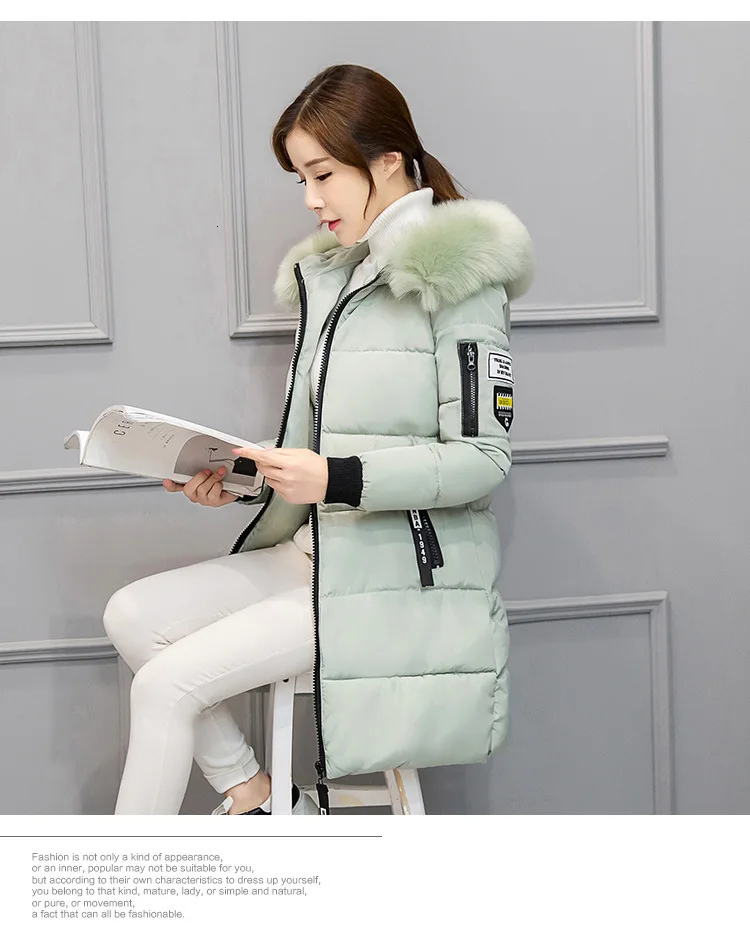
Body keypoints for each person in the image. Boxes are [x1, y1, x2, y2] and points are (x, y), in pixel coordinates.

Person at [103, 63, 534, 815]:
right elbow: (317, 444)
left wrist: (335, 478)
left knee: (165, 687)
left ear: (388, 160)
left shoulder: (461, 278)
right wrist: (242, 479)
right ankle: (254, 794)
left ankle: (122, 884)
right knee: (130, 616)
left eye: (323, 174)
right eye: (301, 178)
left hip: (396, 577)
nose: (310, 199)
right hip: (315, 553)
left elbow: (482, 458)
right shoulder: (334, 278)